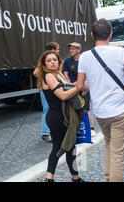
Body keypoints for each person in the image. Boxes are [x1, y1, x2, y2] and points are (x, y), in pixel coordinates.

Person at [77, 19, 124, 182]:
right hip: (120, 111)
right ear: (111, 34)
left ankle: (108, 178)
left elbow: (80, 85)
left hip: (101, 113)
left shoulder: (85, 57)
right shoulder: (121, 52)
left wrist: (92, 83)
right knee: (118, 154)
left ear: (92, 35)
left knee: (109, 144)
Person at [36, 50, 84, 182]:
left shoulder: (58, 73)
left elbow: (68, 88)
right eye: (49, 60)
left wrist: (80, 85)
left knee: (70, 146)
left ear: (59, 61)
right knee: (59, 147)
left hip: (65, 115)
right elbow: (62, 95)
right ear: (44, 64)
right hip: (57, 117)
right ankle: (50, 178)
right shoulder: (48, 76)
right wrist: (79, 87)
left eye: (54, 60)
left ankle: (74, 177)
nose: (52, 62)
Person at [62, 42, 96, 137]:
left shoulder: (84, 60)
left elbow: (88, 74)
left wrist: (79, 84)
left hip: (84, 86)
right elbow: (65, 73)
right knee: (73, 108)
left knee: (85, 108)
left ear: (78, 50)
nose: (71, 50)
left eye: (73, 49)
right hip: (72, 88)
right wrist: (70, 84)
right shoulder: (67, 61)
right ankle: (75, 129)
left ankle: (91, 128)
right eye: (70, 49)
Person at [33, 41, 60, 143]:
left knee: (51, 109)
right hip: (45, 89)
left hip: (50, 88)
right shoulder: (45, 59)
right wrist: (45, 80)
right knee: (47, 109)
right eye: (57, 49)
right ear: (52, 49)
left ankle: (51, 130)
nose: (58, 51)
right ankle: (45, 133)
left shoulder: (50, 59)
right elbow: (35, 72)